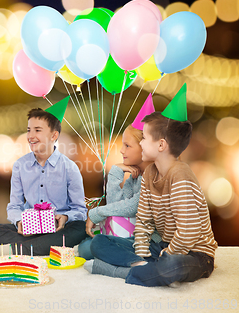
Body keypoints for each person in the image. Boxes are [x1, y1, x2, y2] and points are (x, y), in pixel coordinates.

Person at [86, 84, 217, 287]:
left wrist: (169, 254)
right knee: (99, 242)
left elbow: (188, 231)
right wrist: (142, 253)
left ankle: (120, 271)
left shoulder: (180, 176)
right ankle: (143, 267)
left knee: (172, 264)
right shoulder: (149, 174)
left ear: (161, 145)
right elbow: (144, 222)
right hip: (162, 247)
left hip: (194, 253)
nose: (141, 143)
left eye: (145, 138)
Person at [0, 98, 87, 255]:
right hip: (29, 229)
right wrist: (19, 221)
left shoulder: (69, 168)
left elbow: (80, 210)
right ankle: (42, 247)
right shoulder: (20, 165)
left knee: (80, 229)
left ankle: (17, 249)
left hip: (58, 228)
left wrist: (65, 217)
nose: (30, 136)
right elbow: (14, 206)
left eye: (37, 130)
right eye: (28, 130)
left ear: (54, 135)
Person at [76, 95, 159, 259]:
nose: (122, 150)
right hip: (130, 234)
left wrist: (96, 212)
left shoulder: (154, 176)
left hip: (151, 241)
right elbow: (116, 205)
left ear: (144, 148)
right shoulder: (135, 177)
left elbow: (133, 206)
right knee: (85, 244)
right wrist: (115, 171)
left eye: (127, 146)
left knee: (88, 247)